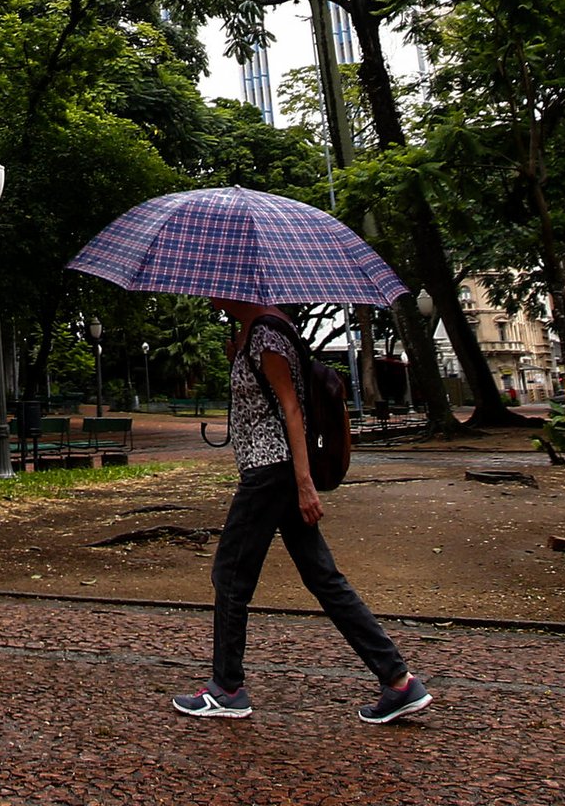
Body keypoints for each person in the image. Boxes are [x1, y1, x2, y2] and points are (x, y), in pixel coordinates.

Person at [170, 299, 430, 726]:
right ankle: (399, 682)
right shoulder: (266, 333)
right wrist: (240, 359)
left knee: (231, 576)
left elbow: (293, 409)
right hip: (277, 471)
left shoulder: (267, 335)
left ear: (241, 289)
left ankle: (227, 689)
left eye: (219, 291)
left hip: (271, 474)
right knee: (322, 577)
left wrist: (304, 483)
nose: (213, 296)